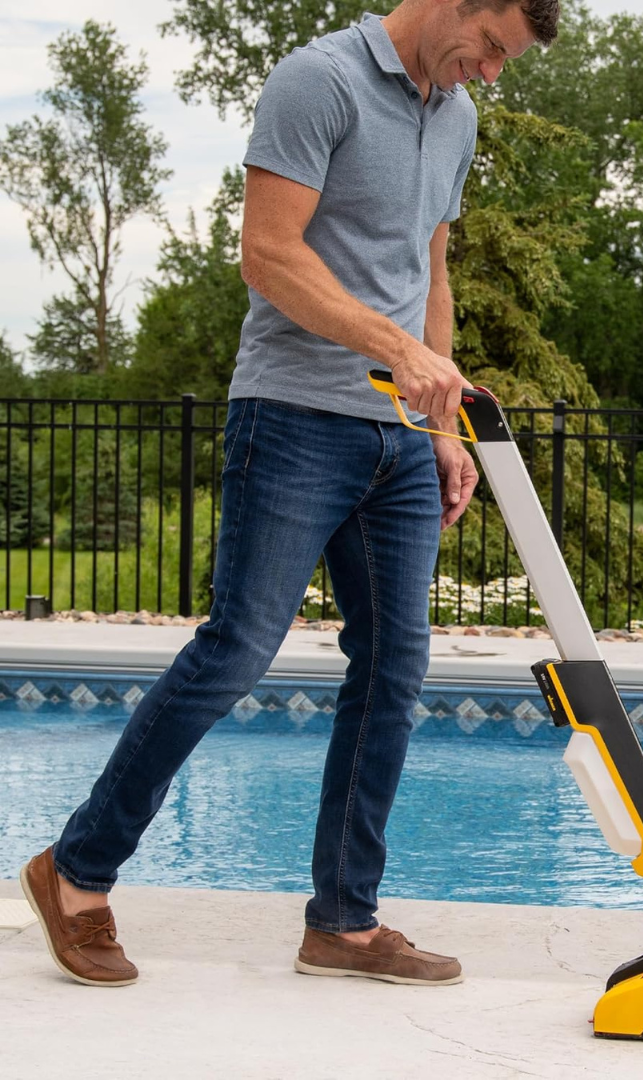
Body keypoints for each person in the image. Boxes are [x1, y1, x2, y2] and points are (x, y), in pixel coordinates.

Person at [20, 0, 560, 989]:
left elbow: (430, 269)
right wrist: (397, 351)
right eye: (490, 48)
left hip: (398, 434)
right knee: (237, 649)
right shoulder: (321, 80)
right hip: (295, 417)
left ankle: (344, 922)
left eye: (503, 62)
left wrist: (441, 423)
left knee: (394, 668)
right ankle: (77, 872)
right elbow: (269, 254)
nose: (490, 73)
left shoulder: (458, 117)